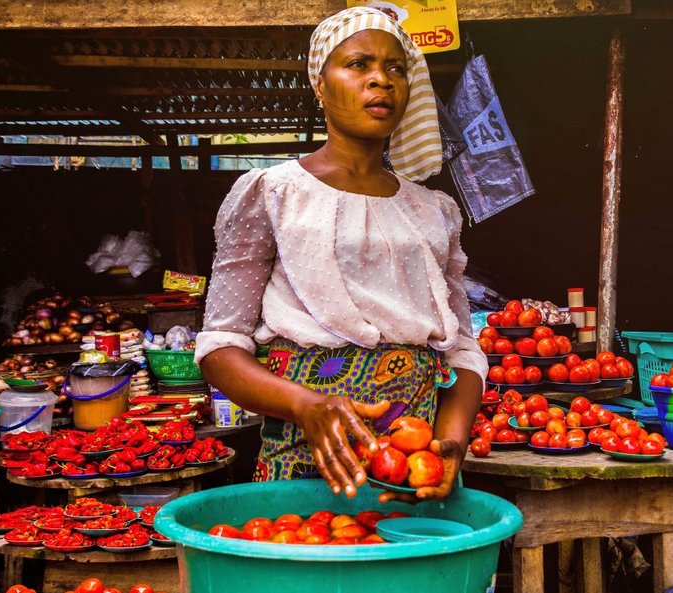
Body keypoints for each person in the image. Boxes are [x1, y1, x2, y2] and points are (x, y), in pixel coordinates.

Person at [194, 6, 487, 501]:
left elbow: (461, 350)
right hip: (305, 454)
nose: (382, 80)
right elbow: (221, 347)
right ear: (321, 85)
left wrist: (451, 443)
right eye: (359, 64)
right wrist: (308, 407)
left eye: (397, 69)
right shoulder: (272, 193)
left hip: (414, 466)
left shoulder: (434, 210)